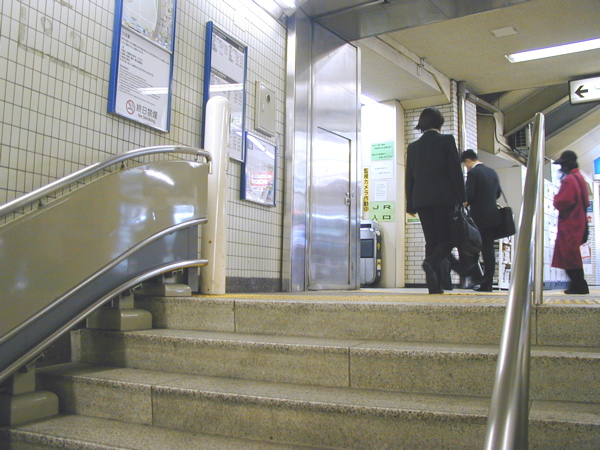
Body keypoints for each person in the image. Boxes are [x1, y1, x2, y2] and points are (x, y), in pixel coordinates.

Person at [405, 107, 465, 294]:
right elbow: (455, 171)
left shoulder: (413, 147)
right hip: (444, 199)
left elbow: (409, 177)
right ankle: (430, 262)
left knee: (431, 241)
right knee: (447, 239)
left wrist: (410, 205)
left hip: (421, 200)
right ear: (440, 123)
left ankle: (434, 286)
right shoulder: (447, 140)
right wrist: (462, 197)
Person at [460, 149, 502, 292]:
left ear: (468, 161)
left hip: (479, 216)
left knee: (472, 247)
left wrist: (465, 203)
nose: (466, 167)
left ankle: (477, 278)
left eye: (465, 165)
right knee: (488, 249)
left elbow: (469, 194)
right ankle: (487, 282)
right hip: (493, 216)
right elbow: (497, 193)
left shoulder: (474, 173)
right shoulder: (492, 172)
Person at [551, 150, 589, 294]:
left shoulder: (569, 180)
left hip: (570, 223)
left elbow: (562, 202)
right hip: (579, 222)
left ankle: (579, 285)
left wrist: (555, 197)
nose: (561, 168)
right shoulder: (580, 178)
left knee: (568, 255)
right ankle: (579, 285)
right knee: (572, 254)